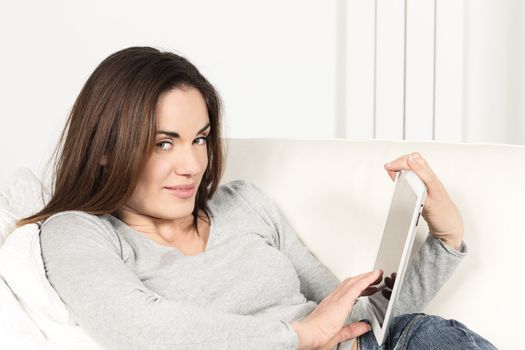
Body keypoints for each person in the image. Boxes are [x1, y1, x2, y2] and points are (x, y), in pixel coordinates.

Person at [18, 47, 497, 350]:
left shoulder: (245, 204)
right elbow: (137, 330)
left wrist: (445, 240)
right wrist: (297, 336)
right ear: (105, 149)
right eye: (164, 142)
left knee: (427, 336)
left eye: (200, 139)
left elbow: (356, 321)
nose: (191, 164)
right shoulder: (77, 231)